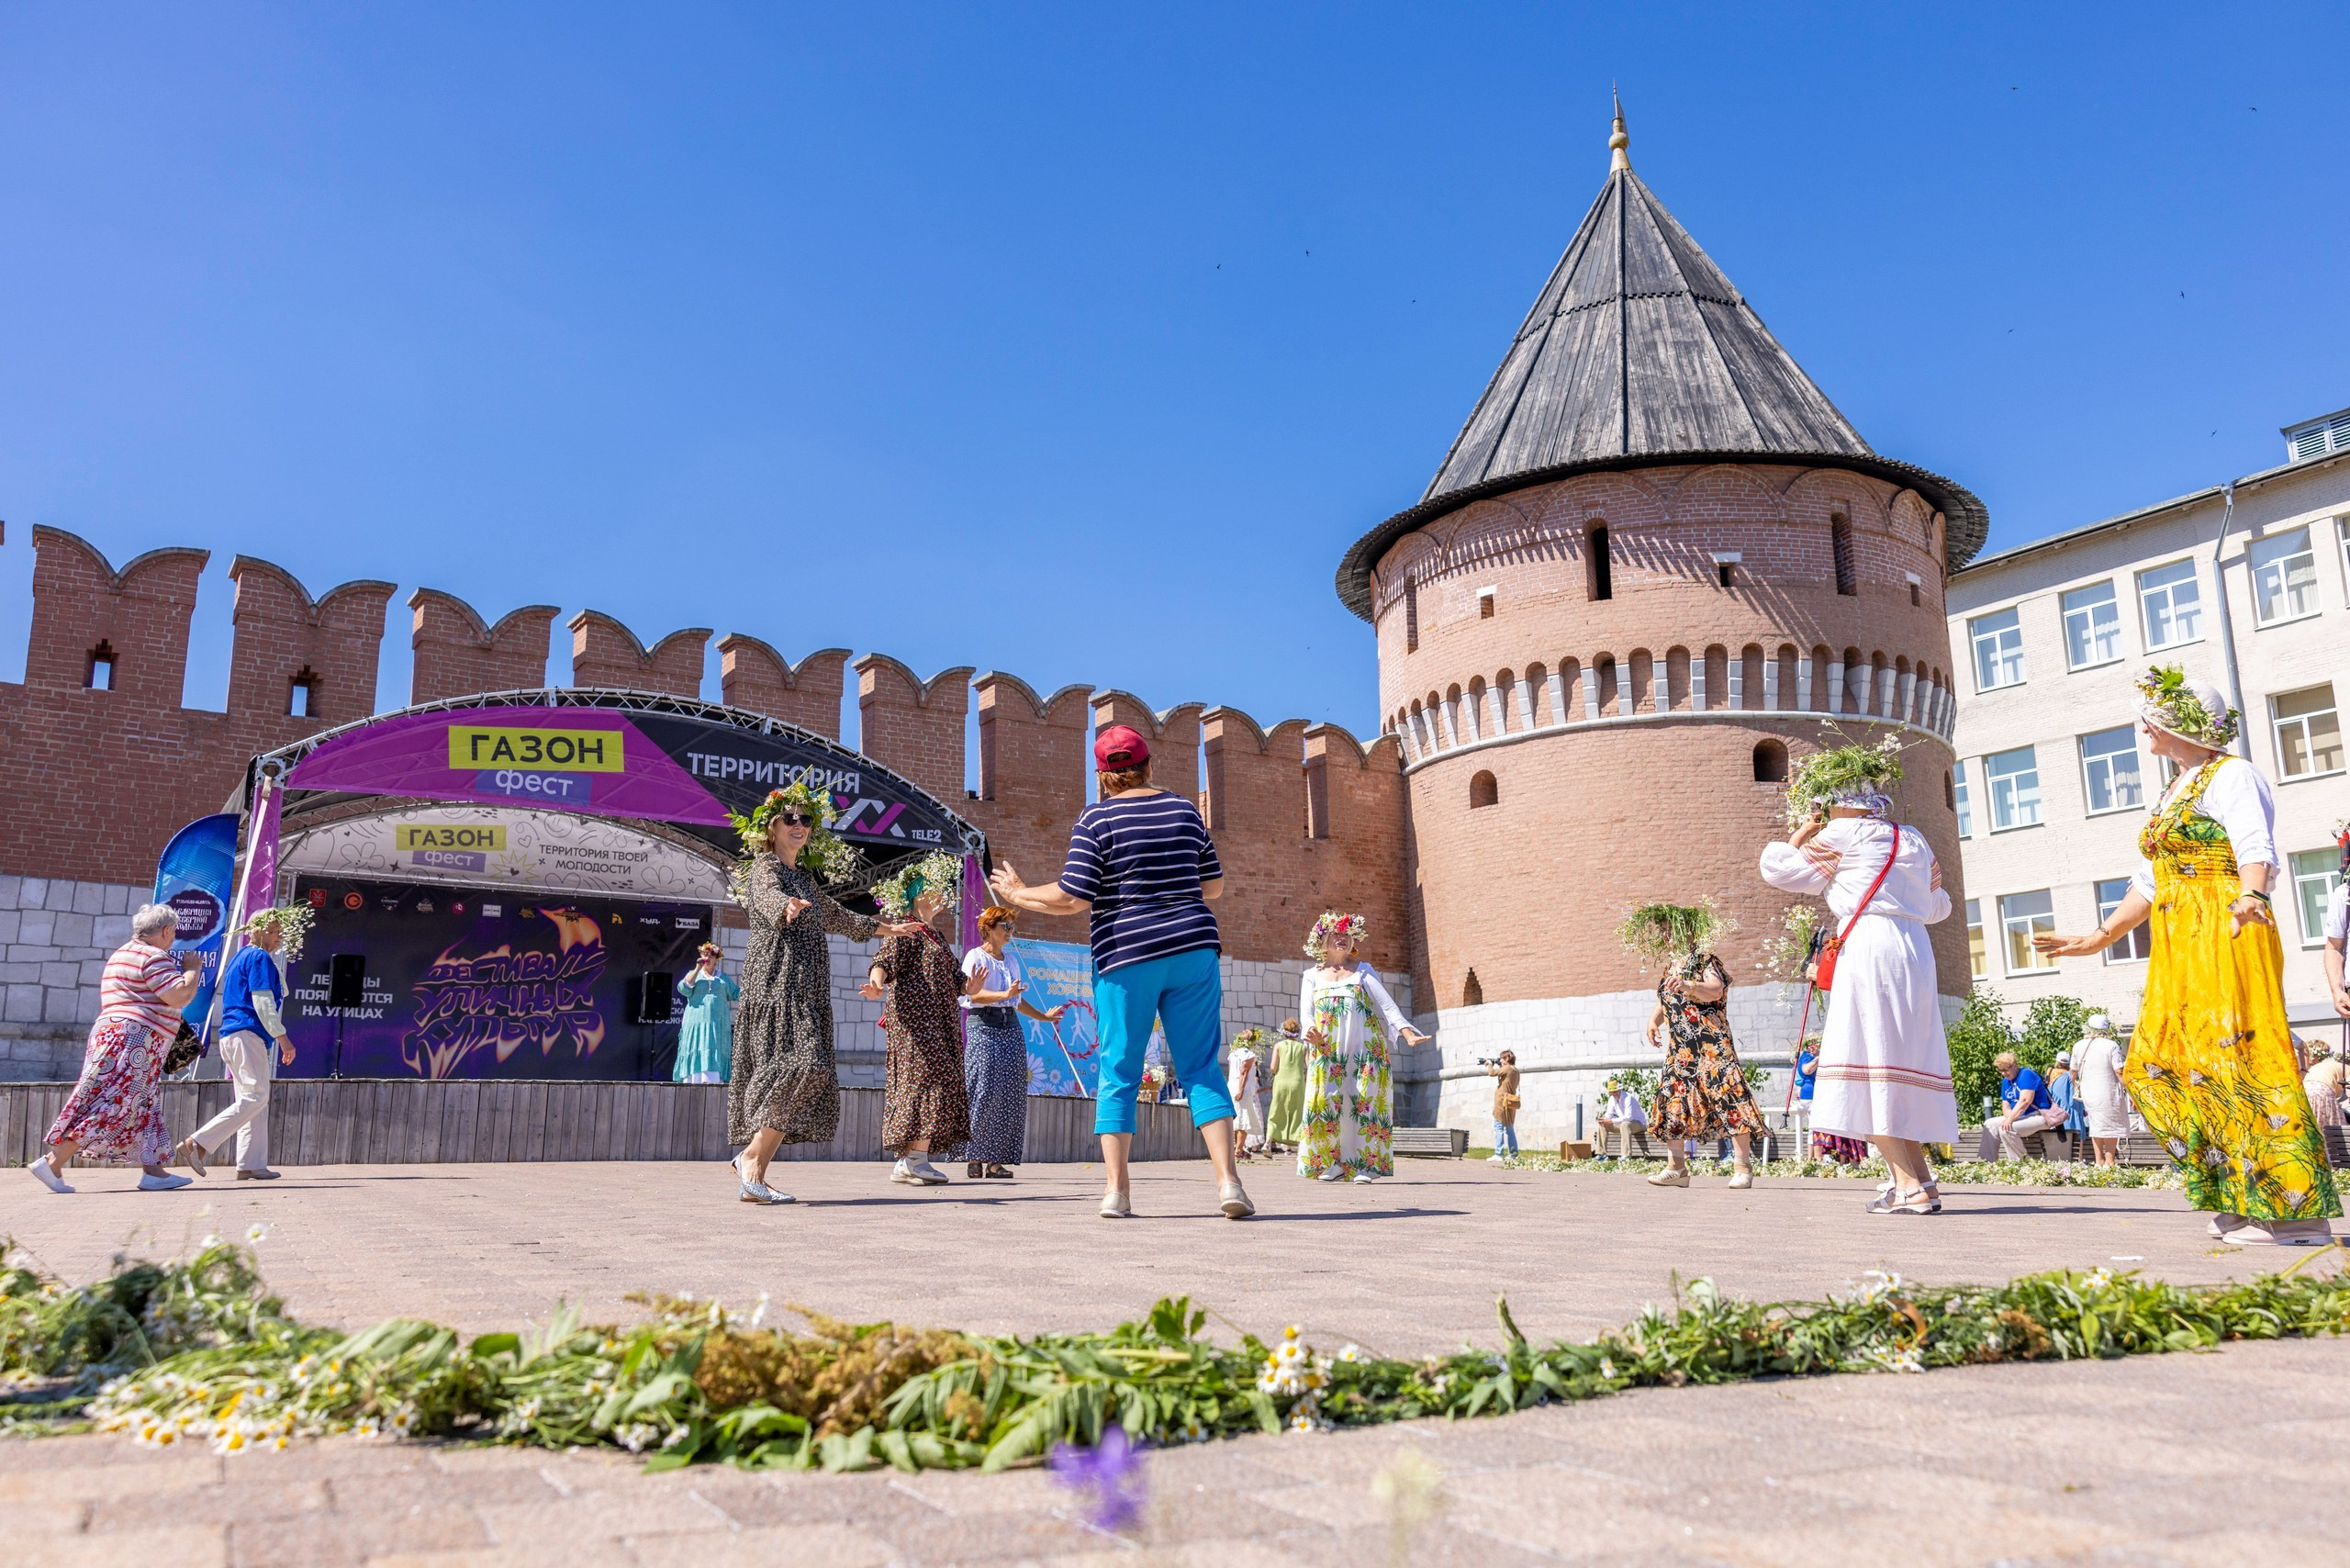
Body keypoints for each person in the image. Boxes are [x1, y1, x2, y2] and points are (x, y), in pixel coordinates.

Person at [2034, 666, 2340, 1245]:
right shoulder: (2175, 789)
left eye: (2148, 715)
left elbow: (2256, 846)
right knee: (2162, 1063)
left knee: (2245, 1064)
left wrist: (2251, 894)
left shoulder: (2233, 775)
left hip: (2226, 927)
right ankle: (2241, 1193)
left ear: (2175, 721)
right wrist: (2099, 938)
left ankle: (2299, 1212)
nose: (2141, 726)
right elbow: (2149, 883)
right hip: (2178, 943)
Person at [989, 723, 1253, 1219]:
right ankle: (1229, 1184)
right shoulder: (1184, 811)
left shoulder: (1097, 818)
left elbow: (1072, 896)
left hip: (1127, 955)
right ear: (1150, 764)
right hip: (1194, 949)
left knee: (1120, 1069)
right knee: (1199, 1067)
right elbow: (1213, 888)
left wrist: (1020, 894)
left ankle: (1117, 1191)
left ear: (1103, 776)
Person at [1759, 736, 1956, 1215]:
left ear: (1840, 806)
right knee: (1900, 1063)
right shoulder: (1913, 839)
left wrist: (1804, 830)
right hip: (1914, 950)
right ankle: (1920, 1181)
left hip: (1867, 946)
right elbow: (1938, 906)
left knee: (1866, 1065)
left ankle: (1907, 1187)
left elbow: (1779, 870)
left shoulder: (1842, 837)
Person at [727, 786, 922, 1205]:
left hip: (808, 986)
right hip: (779, 982)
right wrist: (786, 907)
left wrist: (889, 928)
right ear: (772, 826)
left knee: (811, 1069)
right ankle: (751, 1162)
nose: (799, 825)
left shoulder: (804, 878)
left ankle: (754, 1168)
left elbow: (836, 915)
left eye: (806, 820)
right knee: (802, 1064)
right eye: (790, 819)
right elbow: (766, 898)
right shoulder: (766, 868)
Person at [31, 904, 202, 1194]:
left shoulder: (122, 953)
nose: (173, 939)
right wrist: (192, 971)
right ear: (165, 931)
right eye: (173, 933)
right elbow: (179, 995)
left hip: (115, 1034)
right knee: (114, 1102)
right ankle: (53, 1162)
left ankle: (154, 1172)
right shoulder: (153, 956)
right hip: (136, 1040)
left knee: (142, 1103)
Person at [864, 852, 974, 1187]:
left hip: (939, 1022)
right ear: (917, 895)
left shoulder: (936, 936)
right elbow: (884, 959)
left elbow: (958, 982)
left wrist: (973, 985)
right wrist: (876, 983)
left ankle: (909, 1161)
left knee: (928, 1081)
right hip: (915, 1022)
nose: (942, 895)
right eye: (935, 889)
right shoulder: (909, 930)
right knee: (928, 1080)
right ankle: (915, 1159)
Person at [1631, 916, 1765, 1190]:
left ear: (1688, 934)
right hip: (1681, 1048)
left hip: (1711, 1044)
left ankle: (1742, 1167)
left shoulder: (1705, 961)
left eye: (1672, 931)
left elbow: (1715, 990)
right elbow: (1666, 998)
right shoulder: (1672, 966)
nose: (1667, 937)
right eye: (1665, 933)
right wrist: (1653, 1021)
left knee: (1728, 1097)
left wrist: (1689, 985)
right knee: (1673, 1100)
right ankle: (1676, 1168)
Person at [178, 905, 309, 1181]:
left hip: (234, 1035)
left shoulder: (242, 956)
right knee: (256, 1097)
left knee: (253, 1099)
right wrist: (282, 1037)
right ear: (255, 931)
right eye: (272, 932)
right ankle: (198, 1144)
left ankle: (251, 1164)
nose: (278, 938)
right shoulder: (259, 957)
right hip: (247, 1033)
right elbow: (263, 1001)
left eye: (280, 933)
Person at [1297, 912, 1429, 1182]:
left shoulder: (1363, 970)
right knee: (1326, 1101)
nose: (1342, 938)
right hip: (1327, 1048)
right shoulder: (1311, 975)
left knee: (1364, 1101)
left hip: (1365, 1049)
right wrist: (1309, 1030)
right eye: (1336, 933)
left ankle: (1365, 1166)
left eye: (1347, 934)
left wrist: (1406, 1032)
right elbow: (1306, 1014)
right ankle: (1333, 1163)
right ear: (1322, 939)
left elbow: (1387, 1005)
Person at [957, 903, 1067, 1179]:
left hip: (1010, 1028)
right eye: (1005, 926)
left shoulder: (1011, 960)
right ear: (989, 929)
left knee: (1009, 1094)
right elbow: (972, 997)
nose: (1010, 932)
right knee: (982, 1090)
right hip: (983, 1026)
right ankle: (975, 1156)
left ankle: (996, 1161)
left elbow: (1016, 1000)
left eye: (1012, 927)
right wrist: (1004, 995)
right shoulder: (975, 957)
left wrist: (1043, 1017)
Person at [672, 943, 739, 1085]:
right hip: (696, 1023)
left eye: (711, 955)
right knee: (696, 1045)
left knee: (714, 1046)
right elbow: (683, 989)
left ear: (717, 959)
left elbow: (736, 993)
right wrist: (697, 968)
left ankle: (714, 1080)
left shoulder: (723, 978)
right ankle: (693, 1080)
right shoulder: (695, 974)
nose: (707, 957)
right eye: (704, 954)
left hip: (717, 1025)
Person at [2075, 1013, 2132, 1166]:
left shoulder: (2079, 1045)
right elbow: (2119, 1070)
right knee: (2110, 1125)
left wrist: (2075, 1085)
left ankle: (2098, 1160)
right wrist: (2130, 1090)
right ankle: (2109, 1161)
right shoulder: (2111, 1045)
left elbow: (2073, 1071)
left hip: (2088, 1092)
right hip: (2108, 1091)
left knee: (2096, 1125)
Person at [1989, 1052, 2059, 1161]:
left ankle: (2020, 1163)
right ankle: (1989, 1161)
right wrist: (2009, 1118)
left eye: (2006, 1069)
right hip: (2019, 1116)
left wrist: (2011, 1120)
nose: (2003, 1073)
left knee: (2007, 1129)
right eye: (2000, 1070)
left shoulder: (2026, 1074)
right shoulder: (2005, 1082)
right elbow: (2006, 1105)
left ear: (2015, 1065)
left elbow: (2025, 1101)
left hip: (2039, 1115)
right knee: (1989, 1124)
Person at [1264, 1018, 1307, 1153]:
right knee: (1297, 1112)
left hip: (1281, 1082)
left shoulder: (1279, 1046)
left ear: (1284, 1032)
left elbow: (1272, 1067)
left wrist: (1276, 1073)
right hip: (1298, 1082)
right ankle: (1300, 1148)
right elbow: (1310, 1065)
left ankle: (1267, 1143)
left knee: (1276, 1111)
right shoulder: (1303, 1047)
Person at [1225, 1030, 1270, 1159]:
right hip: (1243, 1091)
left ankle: (1238, 1148)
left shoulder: (1232, 1054)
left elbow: (1231, 1072)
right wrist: (1241, 1090)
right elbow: (1243, 1072)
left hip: (1231, 1087)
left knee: (1236, 1119)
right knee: (1243, 1121)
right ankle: (1238, 1150)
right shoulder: (1249, 1055)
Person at [1595, 1076, 1651, 1158]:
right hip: (1624, 1124)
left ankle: (1626, 1154)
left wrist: (1611, 1121)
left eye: (1616, 1091)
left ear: (1620, 1089)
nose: (1615, 1093)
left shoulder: (1628, 1098)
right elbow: (1609, 1114)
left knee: (1625, 1124)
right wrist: (1604, 1119)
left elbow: (1629, 1117)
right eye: (1612, 1092)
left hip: (1639, 1124)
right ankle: (1601, 1154)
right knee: (1603, 1125)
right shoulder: (1611, 1099)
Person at [1485, 1050, 1521, 1160]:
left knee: (1498, 1127)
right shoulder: (1515, 1070)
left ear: (1507, 1059)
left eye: (1502, 1059)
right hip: (1510, 1102)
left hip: (1502, 1102)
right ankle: (1513, 1154)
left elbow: (1491, 1073)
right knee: (1509, 1129)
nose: (1500, 1060)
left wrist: (1490, 1065)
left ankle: (1498, 1154)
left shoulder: (1507, 1068)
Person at [2303, 1041, 2344, 1132]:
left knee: (2311, 1124)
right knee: (2334, 1125)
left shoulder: (2317, 1067)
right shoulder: (2346, 1068)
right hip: (2321, 1090)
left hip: (2304, 1090)